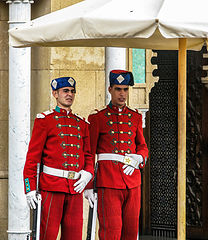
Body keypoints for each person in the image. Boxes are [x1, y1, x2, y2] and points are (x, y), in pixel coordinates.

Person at [23, 77, 94, 240]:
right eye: (65, 91)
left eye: (72, 91)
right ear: (55, 93)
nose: (69, 95)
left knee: (74, 236)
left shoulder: (82, 123)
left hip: (75, 187)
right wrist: (30, 187)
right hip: (51, 187)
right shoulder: (45, 120)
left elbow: (88, 155)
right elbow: (33, 158)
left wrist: (88, 174)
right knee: (47, 235)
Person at [84, 70, 148, 240]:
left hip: (132, 181)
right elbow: (89, 153)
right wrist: (89, 185)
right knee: (111, 232)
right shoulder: (98, 118)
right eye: (118, 89)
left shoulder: (134, 117)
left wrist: (139, 158)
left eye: (125, 89)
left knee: (131, 232)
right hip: (109, 181)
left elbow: (142, 146)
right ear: (109, 89)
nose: (122, 93)